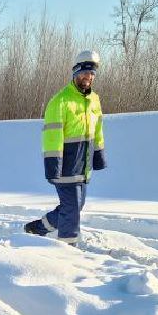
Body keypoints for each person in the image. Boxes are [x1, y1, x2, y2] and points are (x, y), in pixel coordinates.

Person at [25, 50, 106, 246]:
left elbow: (98, 130)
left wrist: (99, 155)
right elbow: (52, 136)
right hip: (65, 166)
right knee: (71, 209)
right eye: (85, 73)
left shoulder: (94, 100)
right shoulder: (60, 101)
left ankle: (39, 228)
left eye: (92, 74)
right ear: (76, 73)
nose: (88, 77)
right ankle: (69, 252)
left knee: (76, 206)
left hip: (83, 165)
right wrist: (53, 166)